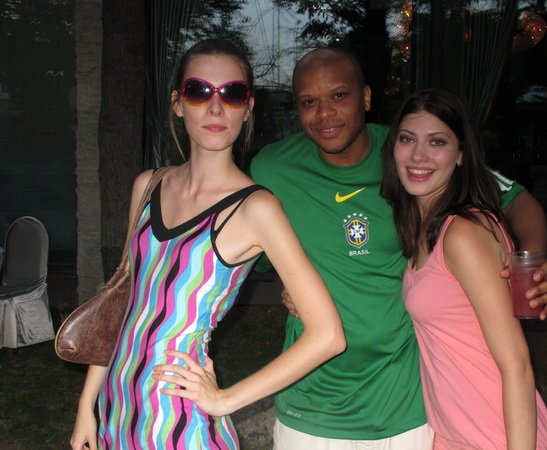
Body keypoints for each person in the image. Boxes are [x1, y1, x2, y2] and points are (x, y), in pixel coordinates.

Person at [250, 47, 547, 448]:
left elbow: (520, 203)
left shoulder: (408, 151)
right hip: (314, 404)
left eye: (339, 95)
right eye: (309, 102)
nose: (325, 113)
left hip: (407, 406)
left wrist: (531, 272)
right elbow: (252, 249)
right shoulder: (273, 168)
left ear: (365, 97)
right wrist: (290, 283)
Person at [69, 39, 346, 450]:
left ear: (248, 108)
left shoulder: (255, 208)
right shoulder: (147, 187)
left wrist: (224, 400)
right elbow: (121, 300)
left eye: (232, 94)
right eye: (199, 91)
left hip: (179, 424)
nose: (216, 108)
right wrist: (86, 406)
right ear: (178, 103)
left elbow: (328, 335)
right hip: (116, 411)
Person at [380, 87, 547, 449]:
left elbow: (516, 363)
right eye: (407, 139)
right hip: (454, 433)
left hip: (498, 434)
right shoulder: (424, 229)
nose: (418, 155)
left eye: (437, 142)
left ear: (461, 154)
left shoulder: (463, 233)